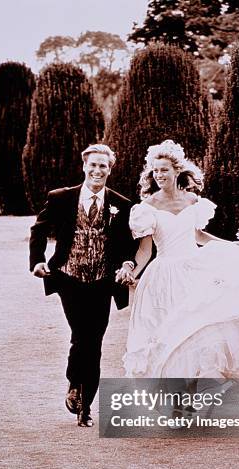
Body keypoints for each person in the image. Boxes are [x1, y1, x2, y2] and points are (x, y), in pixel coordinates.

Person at [116, 140, 239, 380]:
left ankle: (191, 398)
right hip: (163, 276)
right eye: (156, 170)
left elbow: (198, 235)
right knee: (164, 334)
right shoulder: (147, 207)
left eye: (164, 170)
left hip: (194, 271)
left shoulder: (192, 200)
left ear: (176, 170)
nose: (159, 175)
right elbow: (145, 251)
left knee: (196, 333)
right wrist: (133, 270)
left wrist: (233, 246)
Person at [29, 144, 137, 426]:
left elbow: (128, 244)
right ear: (84, 166)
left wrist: (127, 264)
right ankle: (75, 383)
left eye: (104, 166)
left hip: (102, 281)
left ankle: (84, 404)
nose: (98, 170)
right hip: (68, 277)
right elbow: (39, 229)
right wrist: (37, 261)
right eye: (93, 165)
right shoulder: (61, 198)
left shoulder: (121, 204)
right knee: (81, 333)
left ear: (110, 169)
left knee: (95, 340)